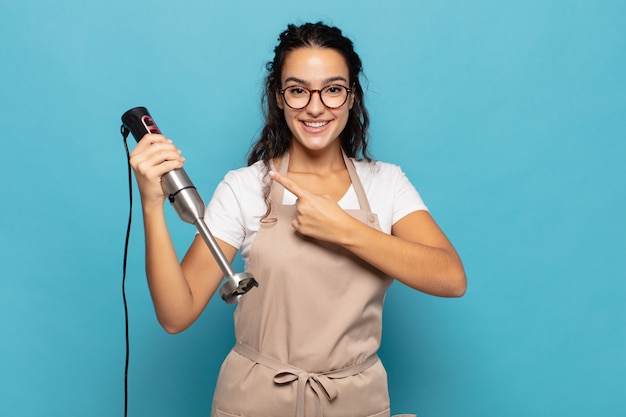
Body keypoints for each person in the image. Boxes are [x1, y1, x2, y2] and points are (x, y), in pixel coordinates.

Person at [129, 21, 466, 417]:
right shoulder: (245, 187)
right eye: (298, 90)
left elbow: (450, 278)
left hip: (356, 404)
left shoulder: (386, 183)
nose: (315, 106)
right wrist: (152, 205)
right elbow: (176, 314)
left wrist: (347, 231)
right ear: (279, 97)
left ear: (352, 96)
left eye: (333, 89)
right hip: (253, 402)